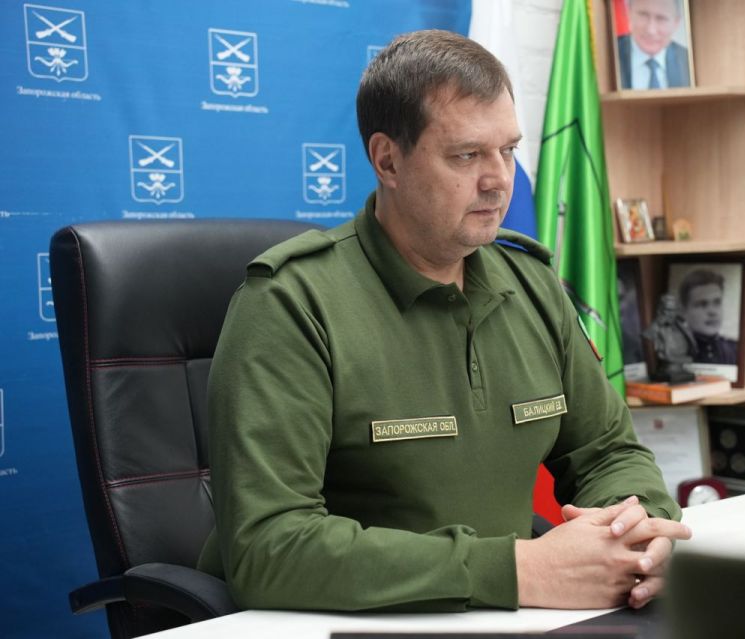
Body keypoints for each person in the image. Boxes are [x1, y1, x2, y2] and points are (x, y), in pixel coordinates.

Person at [197, 29, 690, 614]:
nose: (498, 179)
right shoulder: (291, 303)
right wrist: (517, 570)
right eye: (466, 155)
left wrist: (638, 531)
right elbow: (268, 548)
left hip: (513, 616)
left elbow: (606, 452)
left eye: (508, 150)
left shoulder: (532, 284)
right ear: (388, 160)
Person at [618, 0, 691, 90]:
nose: (651, 30)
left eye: (661, 19)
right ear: (629, 12)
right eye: (643, 15)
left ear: (676, 22)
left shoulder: (689, 61)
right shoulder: (608, 55)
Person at [677, 269, 738, 365]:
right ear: (684, 311)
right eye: (702, 304)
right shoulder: (674, 352)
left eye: (717, 303)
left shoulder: (735, 349)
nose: (712, 312)